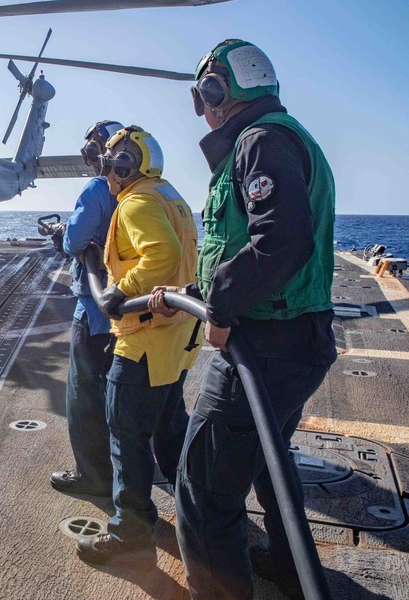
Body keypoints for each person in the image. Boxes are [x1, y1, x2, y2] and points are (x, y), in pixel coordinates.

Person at [150, 39, 337, 600]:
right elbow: (243, 243)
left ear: (215, 92)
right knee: (267, 466)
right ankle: (286, 564)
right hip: (297, 342)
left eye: (203, 95)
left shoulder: (260, 140)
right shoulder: (283, 134)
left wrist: (223, 307)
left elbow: (280, 240)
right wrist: (193, 291)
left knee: (203, 493)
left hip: (265, 346)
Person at [74, 126, 200, 569]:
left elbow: (161, 254)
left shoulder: (137, 201)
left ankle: (130, 533)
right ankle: (198, 517)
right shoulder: (170, 194)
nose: (106, 170)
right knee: (169, 429)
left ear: (123, 166)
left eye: (110, 162)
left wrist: (119, 290)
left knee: (125, 432)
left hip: (143, 340)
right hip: (176, 339)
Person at [49, 120, 123, 498]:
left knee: (83, 399)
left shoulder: (97, 188)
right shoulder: (143, 190)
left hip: (94, 312)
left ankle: (93, 477)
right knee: (120, 397)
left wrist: (65, 235)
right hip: (128, 314)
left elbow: (74, 241)